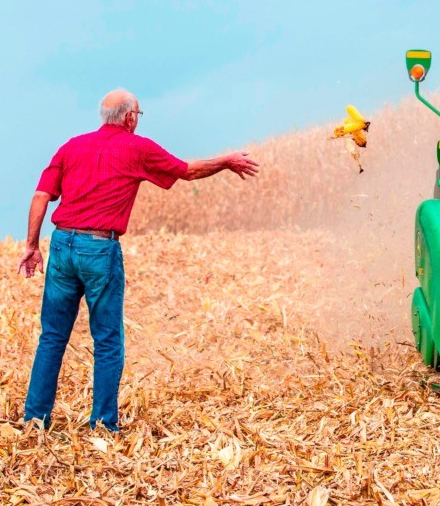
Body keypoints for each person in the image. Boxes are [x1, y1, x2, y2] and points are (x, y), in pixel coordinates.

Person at [17, 89, 260, 432]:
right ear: (130, 117)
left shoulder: (71, 146)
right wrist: (226, 161)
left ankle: (34, 420)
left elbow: (42, 194)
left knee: (52, 337)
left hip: (61, 245)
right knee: (107, 341)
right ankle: (102, 424)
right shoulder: (138, 147)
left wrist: (31, 244)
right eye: (139, 115)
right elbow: (186, 171)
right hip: (99, 248)